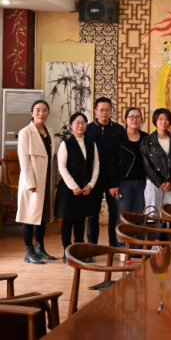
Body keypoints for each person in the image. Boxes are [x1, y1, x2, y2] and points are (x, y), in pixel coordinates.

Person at [54, 112, 100, 263]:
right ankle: (67, 253)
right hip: (69, 189)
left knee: (81, 221)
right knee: (68, 222)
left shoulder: (91, 143)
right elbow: (61, 166)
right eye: (77, 123)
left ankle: (79, 252)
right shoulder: (66, 144)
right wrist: (73, 186)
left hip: (85, 188)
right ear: (71, 125)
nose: (80, 125)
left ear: (86, 125)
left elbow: (96, 165)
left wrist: (91, 184)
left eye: (83, 123)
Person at [16, 100, 58, 264]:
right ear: (32, 113)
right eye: (38, 110)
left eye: (45, 110)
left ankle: (40, 249)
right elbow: (24, 160)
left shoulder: (50, 132)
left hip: (47, 180)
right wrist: (30, 183)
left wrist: (55, 179)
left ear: (48, 113)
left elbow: (53, 158)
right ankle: (29, 251)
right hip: (32, 181)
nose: (41, 113)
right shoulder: (25, 132)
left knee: (43, 216)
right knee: (29, 216)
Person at [85, 97, 125, 247]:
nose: (104, 113)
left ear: (111, 111)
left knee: (114, 212)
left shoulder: (119, 129)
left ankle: (113, 245)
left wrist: (117, 179)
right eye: (101, 110)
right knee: (92, 213)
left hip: (112, 178)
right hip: (93, 178)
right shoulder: (88, 129)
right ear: (95, 111)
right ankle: (92, 245)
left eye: (107, 110)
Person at [108, 107, 148, 246]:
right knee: (123, 216)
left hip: (142, 183)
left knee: (139, 216)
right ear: (125, 120)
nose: (134, 120)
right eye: (131, 117)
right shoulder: (117, 138)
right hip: (123, 183)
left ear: (141, 120)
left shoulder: (146, 138)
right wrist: (113, 184)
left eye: (137, 117)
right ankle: (122, 247)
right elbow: (111, 162)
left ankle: (136, 248)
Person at [141, 108, 171, 212]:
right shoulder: (147, 141)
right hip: (153, 183)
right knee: (152, 214)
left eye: (166, 119)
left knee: (169, 214)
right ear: (155, 121)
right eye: (160, 119)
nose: (163, 122)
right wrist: (159, 182)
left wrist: (170, 181)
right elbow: (146, 165)